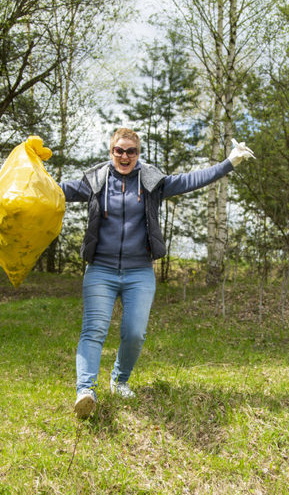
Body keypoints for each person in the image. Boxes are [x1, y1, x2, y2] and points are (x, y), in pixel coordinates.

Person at [59, 128, 254, 418]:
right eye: (119, 151)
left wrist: (228, 163)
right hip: (100, 269)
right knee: (94, 330)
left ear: (138, 155)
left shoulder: (151, 182)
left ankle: (119, 380)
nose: (125, 156)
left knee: (135, 333)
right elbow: (55, 190)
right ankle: (85, 390)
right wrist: (27, 173)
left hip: (139, 271)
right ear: (111, 152)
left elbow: (190, 181)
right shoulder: (95, 182)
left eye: (131, 151)